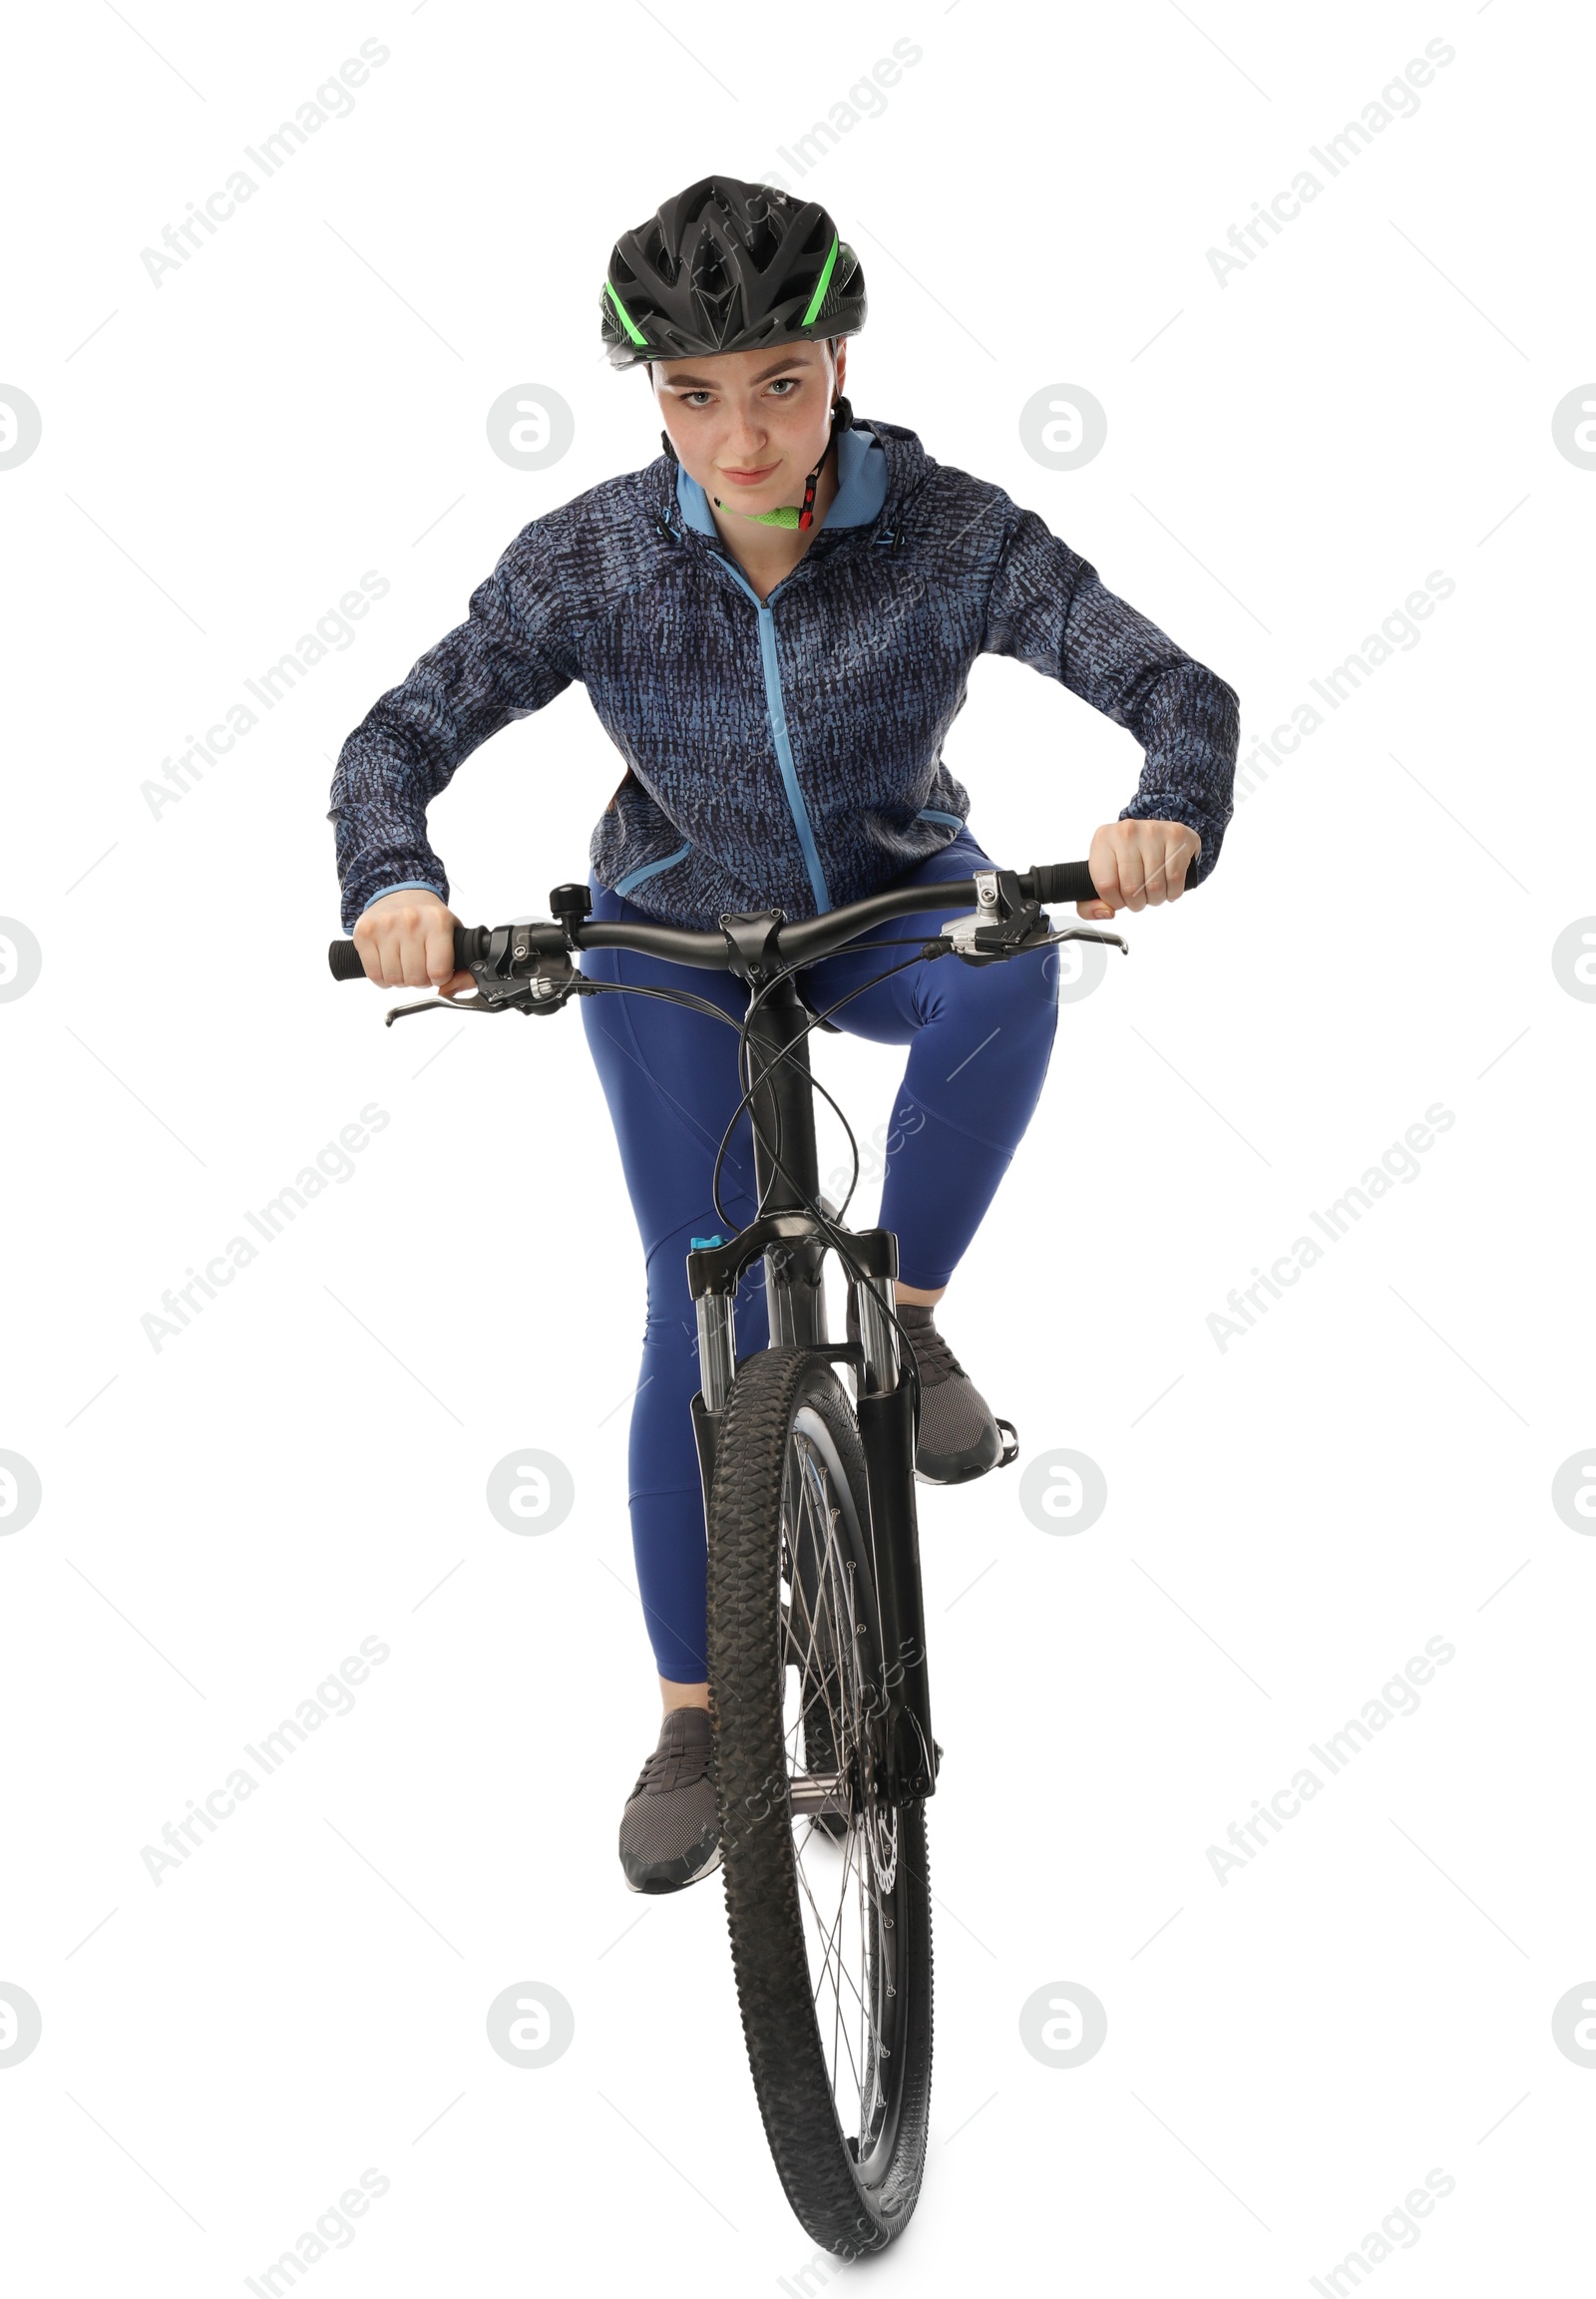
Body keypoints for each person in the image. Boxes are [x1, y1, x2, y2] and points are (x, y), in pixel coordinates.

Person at [330, 175, 1240, 1895]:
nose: (740, 437)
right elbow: (393, 739)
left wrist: (1165, 809)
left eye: (781, 383)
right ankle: (692, 1711)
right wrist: (399, 882)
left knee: (1012, 971)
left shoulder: (955, 533)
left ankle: (907, 1321)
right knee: (702, 1307)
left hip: (893, 904)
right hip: (672, 935)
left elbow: (1182, 693)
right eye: (693, 395)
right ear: (647, 393)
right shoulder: (588, 559)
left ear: (840, 362)